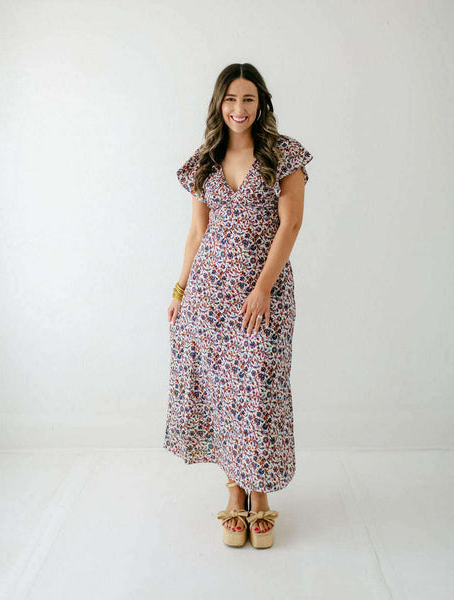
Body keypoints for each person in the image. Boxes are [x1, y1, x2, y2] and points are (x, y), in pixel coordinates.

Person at [163, 63, 313, 549]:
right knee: (222, 393)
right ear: (219, 104)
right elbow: (197, 232)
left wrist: (263, 287)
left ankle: (260, 493)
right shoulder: (204, 160)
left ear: (261, 102)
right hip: (208, 296)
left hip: (262, 295)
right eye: (230, 98)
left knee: (259, 391)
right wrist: (180, 291)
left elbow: (290, 225)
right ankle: (234, 491)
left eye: (248, 98)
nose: (239, 108)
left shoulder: (283, 155)